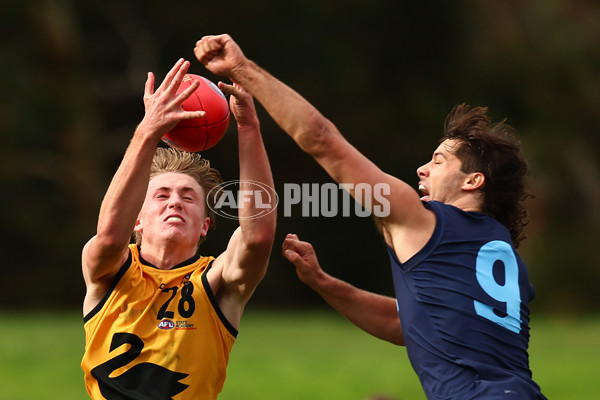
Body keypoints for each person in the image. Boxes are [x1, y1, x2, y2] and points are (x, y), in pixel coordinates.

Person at [194, 34, 546, 399]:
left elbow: (322, 138)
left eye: (439, 161)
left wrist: (243, 70)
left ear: (474, 181)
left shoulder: (426, 222)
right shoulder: (499, 252)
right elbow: (403, 324)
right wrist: (323, 283)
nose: (423, 169)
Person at [80, 58, 276, 399]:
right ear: (137, 219)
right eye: (162, 194)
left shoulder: (217, 282)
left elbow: (257, 238)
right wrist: (147, 131)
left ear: (205, 225)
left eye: (188, 197)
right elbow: (111, 236)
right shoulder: (110, 269)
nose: (175, 202)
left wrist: (248, 128)